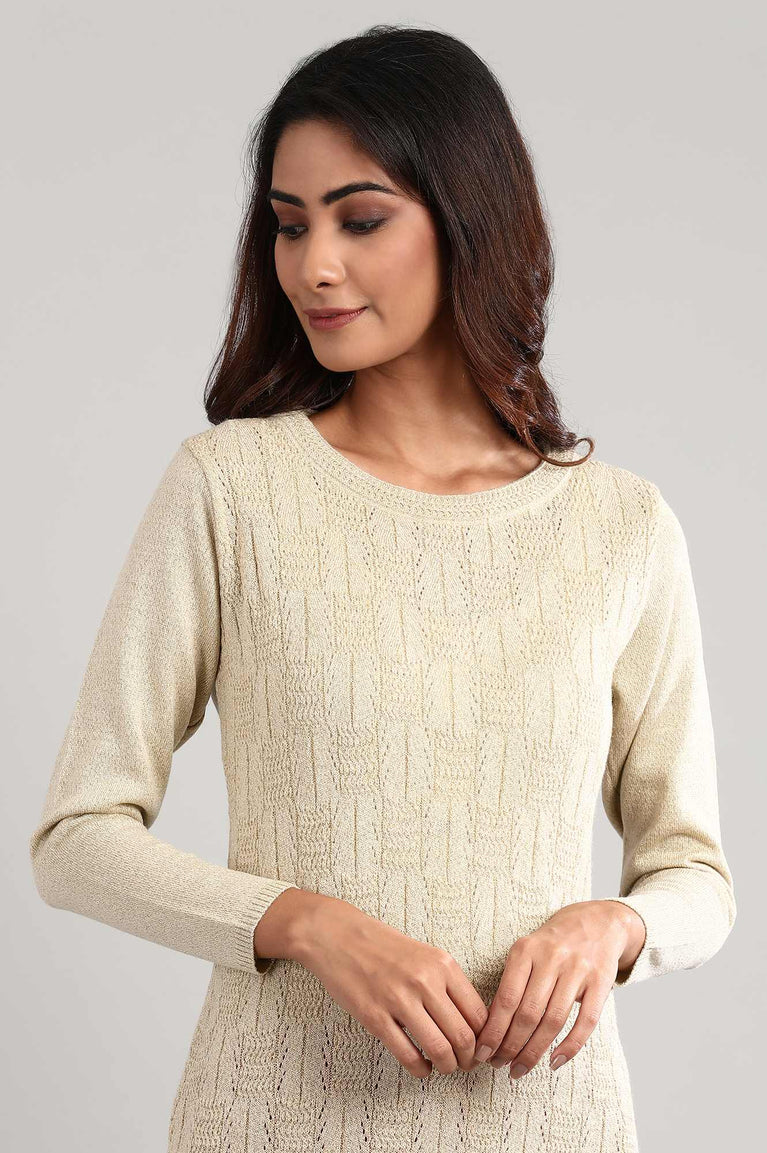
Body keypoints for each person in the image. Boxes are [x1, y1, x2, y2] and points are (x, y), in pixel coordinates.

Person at [29, 24, 736, 1153]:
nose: (313, 265)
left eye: (359, 219)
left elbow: (693, 874)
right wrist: (303, 922)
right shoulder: (231, 491)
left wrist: (611, 925)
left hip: (547, 1127)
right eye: (288, 224)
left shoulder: (620, 527)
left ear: (468, 220)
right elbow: (76, 837)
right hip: (271, 1122)